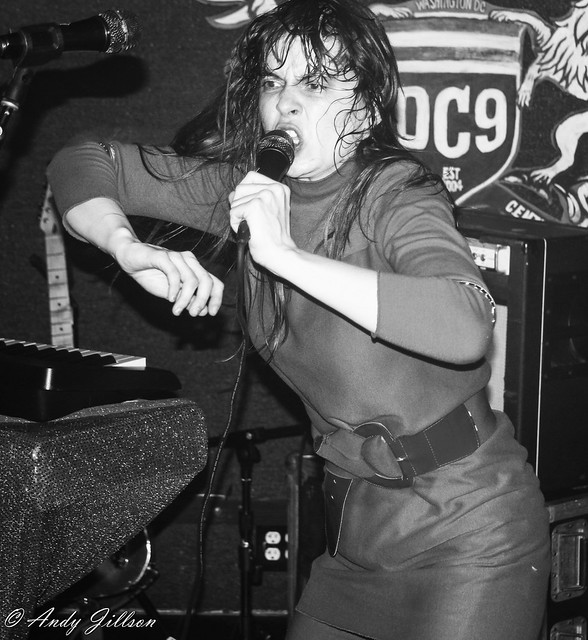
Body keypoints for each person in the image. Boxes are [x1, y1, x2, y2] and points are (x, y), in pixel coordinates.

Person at [47, 1, 551, 638]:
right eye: (273, 81)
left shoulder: (396, 192)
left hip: (470, 528)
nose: (285, 102)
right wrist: (128, 248)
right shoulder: (245, 190)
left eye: (314, 83)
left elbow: (466, 326)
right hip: (355, 536)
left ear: (365, 110)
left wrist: (284, 256)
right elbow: (81, 160)